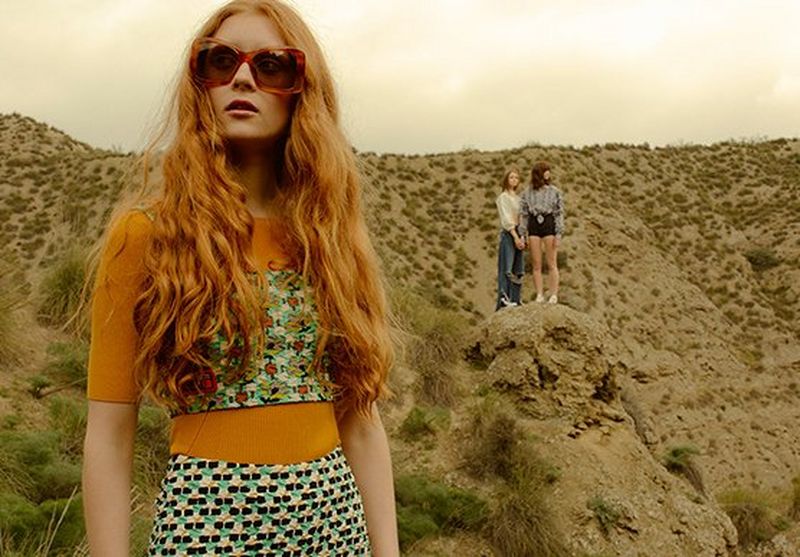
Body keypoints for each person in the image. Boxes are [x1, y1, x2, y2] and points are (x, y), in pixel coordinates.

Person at [81, 1, 399, 555]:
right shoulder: (147, 235)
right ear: (198, 83)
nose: (243, 77)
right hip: (206, 524)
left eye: (272, 64)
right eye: (220, 61)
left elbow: (363, 424)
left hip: (334, 526)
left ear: (303, 88)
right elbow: (109, 433)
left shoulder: (329, 238)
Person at [519, 161, 565, 304]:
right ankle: (539, 294)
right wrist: (522, 234)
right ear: (539, 173)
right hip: (533, 225)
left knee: (552, 262)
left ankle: (553, 295)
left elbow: (559, 213)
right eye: (545, 170)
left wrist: (558, 233)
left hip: (548, 223)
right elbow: (524, 214)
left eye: (548, 170)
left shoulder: (555, 191)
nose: (548, 173)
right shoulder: (526, 192)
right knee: (536, 264)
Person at [495, 168, 525, 310]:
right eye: (511, 177)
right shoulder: (503, 198)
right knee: (506, 267)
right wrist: (514, 236)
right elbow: (507, 218)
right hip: (509, 233)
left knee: (518, 268)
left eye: (516, 178)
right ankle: (504, 298)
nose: (514, 180)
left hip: (519, 232)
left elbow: (522, 217)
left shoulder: (519, 199)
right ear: (506, 179)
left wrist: (522, 236)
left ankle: (516, 298)